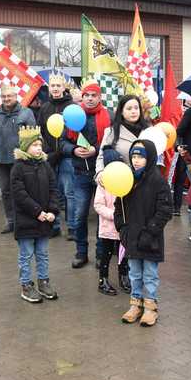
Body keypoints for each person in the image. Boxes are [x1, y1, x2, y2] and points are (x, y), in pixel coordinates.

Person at [115, 140, 173, 327]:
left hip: (150, 239)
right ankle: (135, 304)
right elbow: (119, 207)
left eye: (141, 156)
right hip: (131, 237)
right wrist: (122, 228)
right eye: (133, 156)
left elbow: (164, 210)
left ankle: (150, 307)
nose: (136, 160)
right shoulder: (127, 179)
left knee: (150, 274)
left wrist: (150, 232)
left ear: (149, 157)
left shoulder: (158, 181)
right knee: (135, 273)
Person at [62, 79, 112, 268]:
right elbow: (63, 142)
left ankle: (101, 254)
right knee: (79, 214)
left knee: (102, 215)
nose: (90, 99)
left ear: (100, 97)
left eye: (94, 95)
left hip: (102, 173)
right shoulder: (73, 115)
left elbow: (111, 143)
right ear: (82, 96)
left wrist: (95, 149)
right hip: (80, 172)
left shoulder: (109, 116)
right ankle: (81, 253)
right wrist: (73, 150)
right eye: (87, 95)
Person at [11, 126, 59, 303]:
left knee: (43, 253)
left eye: (40, 145)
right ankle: (26, 285)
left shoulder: (45, 166)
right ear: (25, 147)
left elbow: (53, 189)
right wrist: (38, 212)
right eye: (34, 145)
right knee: (26, 255)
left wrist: (52, 211)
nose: (39, 148)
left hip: (44, 220)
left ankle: (43, 281)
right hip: (27, 221)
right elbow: (20, 195)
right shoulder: (18, 168)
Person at [0, 85, 36, 234]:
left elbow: (33, 137)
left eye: (9, 96)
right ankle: (11, 221)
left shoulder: (26, 113)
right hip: (0, 159)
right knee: (6, 192)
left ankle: (24, 220)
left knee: (22, 191)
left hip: (20, 159)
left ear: (16, 96)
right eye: (4, 96)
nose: (6, 99)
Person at [37, 72, 75, 238]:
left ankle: (73, 227)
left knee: (69, 193)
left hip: (67, 156)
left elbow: (74, 131)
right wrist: (47, 151)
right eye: (52, 86)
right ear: (49, 88)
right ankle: (55, 225)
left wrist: (63, 150)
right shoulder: (44, 108)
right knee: (53, 193)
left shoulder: (72, 106)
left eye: (58, 85)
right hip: (50, 157)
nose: (55, 89)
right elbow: (41, 132)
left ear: (64, 87)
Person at [94, 148, 130, 295]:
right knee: (106, 255)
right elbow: (98, 205)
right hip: (108, 229)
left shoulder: (126, 181)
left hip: (122, 228)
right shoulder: (103, 185)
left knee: (123, 255)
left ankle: (124, 277)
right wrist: (114, 215)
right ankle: (103, 280)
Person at [95, 95, 151, 184]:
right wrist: (100, 172)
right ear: (121, 111)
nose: (133, 111)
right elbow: (101, 156)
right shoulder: (112, 131)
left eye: (136, 108)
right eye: (129, 109)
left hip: (145, 182)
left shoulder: (149, 131)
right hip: (120, 181)